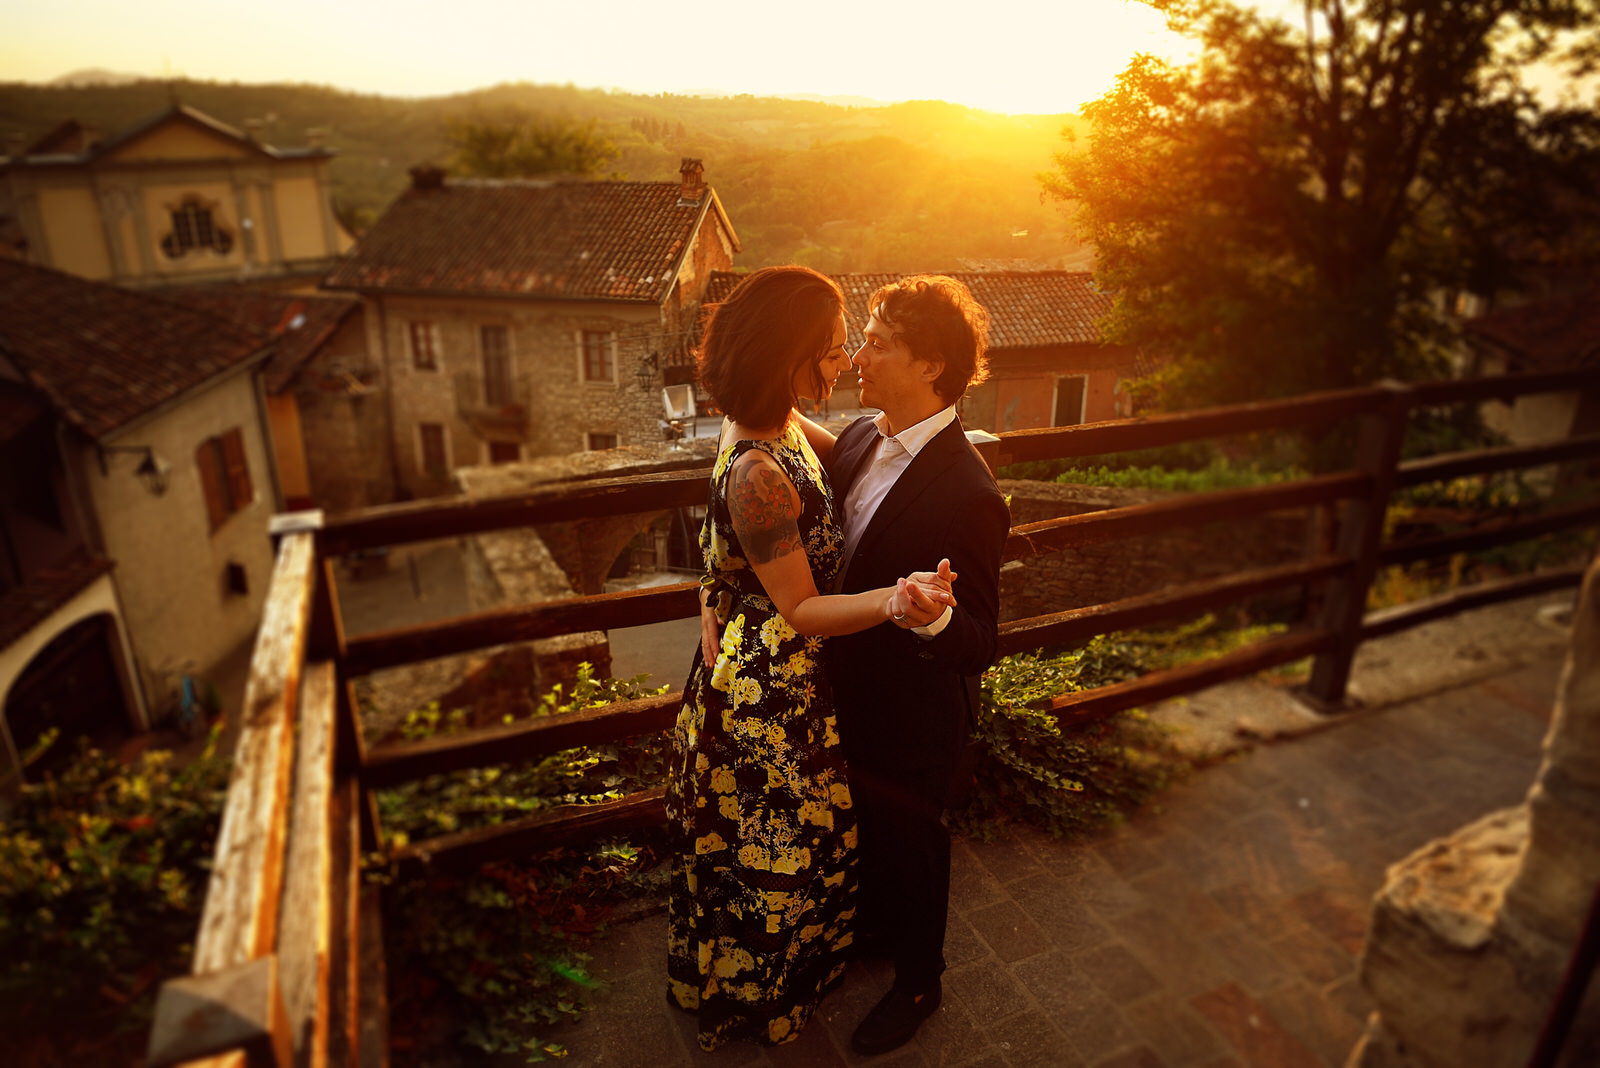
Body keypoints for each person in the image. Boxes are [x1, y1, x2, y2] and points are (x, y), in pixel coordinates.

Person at [664, 265, 956, 1052]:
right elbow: (798, 607)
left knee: (803, 845)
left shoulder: (782, 422)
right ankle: (760, 998)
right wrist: (897, 598)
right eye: (830, 352)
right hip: (771, 695)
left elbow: (863, 452)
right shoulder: (757, 471)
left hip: (796, 682)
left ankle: (806, 966)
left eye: (847, 348)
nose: (842, 366)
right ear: (782, 354)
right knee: (776, 854)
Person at [827, 275, 1009, 1055]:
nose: (857, 355)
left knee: (914, 844)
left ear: (931, 366)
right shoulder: (863, 436)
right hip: (845, 691)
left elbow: (983, 640)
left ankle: (919, 982)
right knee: (864, 829)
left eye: (877, 342)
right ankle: (871, 936)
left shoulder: (971, 491)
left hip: (914, 714)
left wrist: (936, 618)